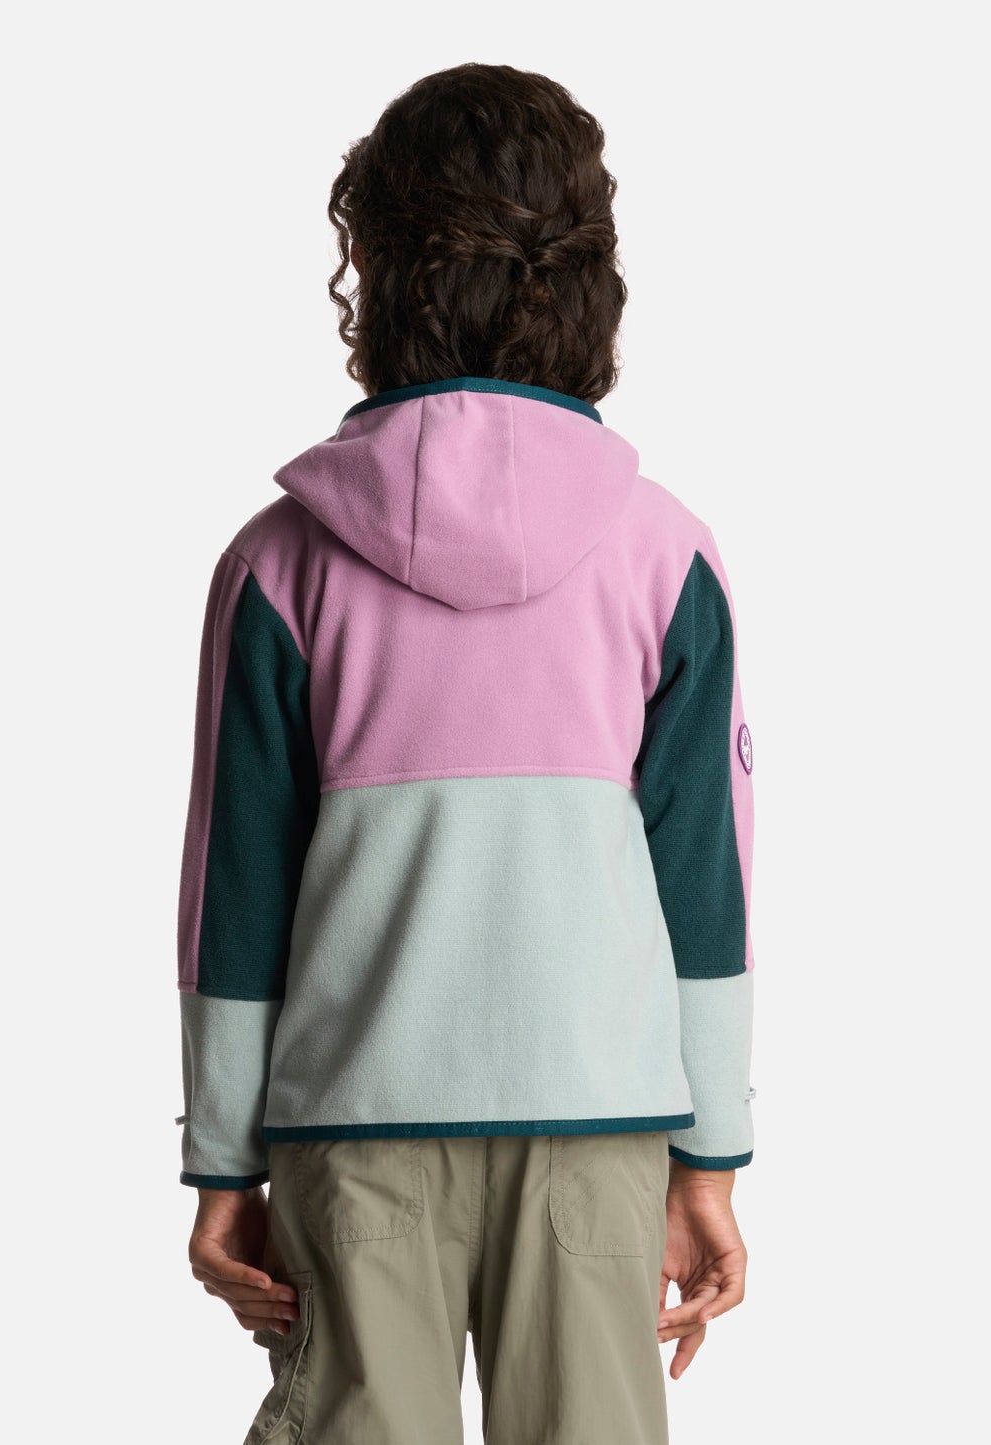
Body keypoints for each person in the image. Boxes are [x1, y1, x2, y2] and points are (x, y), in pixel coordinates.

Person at [175, 63, 757, 1445]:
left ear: (377, 274)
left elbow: (235, 887)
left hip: (351, 1119)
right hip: (602, 1114)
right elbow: (706, 878)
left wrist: (223, 1159)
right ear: (590, 279)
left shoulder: (278, 565)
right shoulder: (666, 556)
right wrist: (708, 1158)